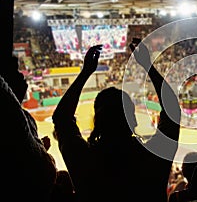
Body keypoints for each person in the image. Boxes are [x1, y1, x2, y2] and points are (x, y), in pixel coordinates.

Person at [52, 42, 181, 202]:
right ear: (133, 119)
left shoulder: (84, 159)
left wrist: (85, 73)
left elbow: (61, 118)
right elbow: (173, 111)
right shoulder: (152, 155)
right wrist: (148, 67)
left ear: (97, 121)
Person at [0, 55, 57, 201]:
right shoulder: (15, 121)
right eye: (15, 70)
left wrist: (40, 148)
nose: (21, 75)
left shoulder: (21, 119)